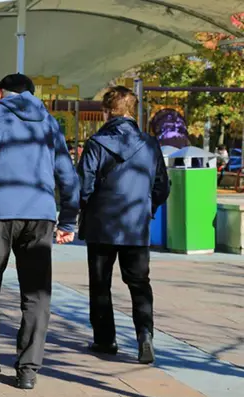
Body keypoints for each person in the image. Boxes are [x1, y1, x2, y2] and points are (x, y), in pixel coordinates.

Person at [0, 73, 80, 390]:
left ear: (0, 91)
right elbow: (66, 173)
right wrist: (68, 219)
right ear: (29, 93)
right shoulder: (48, 120)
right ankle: (28, 368)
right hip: (40, 214)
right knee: (37, 293)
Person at [77, 86, 170, 364]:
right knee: (139, 283)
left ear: (106, 110)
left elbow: (83, 186)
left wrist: (86, 208)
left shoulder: (96, 144)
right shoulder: (151, 144)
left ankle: (105, 340)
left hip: (101, 225)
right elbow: (162, 186)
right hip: (135, 224)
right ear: (133, 110)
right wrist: (147, 208)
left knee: (100, 283)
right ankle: (145, 335)